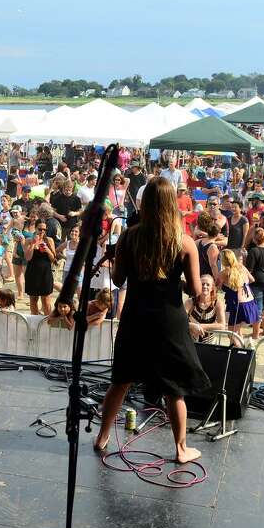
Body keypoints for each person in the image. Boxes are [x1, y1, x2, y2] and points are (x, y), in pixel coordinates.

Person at [93, 177, 209, 463]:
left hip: (135, 316)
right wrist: (174, 282)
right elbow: (196, 290)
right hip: (169, 320)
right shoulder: (185, 243)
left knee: (121, 380)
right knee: (174, 388)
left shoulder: (129, 237)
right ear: (173, 204)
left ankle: (102, 437)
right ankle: (182, 450)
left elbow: (118, 280)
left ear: (145, 204)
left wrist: (117, 258)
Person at [219, 249, 262, 339]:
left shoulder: (224, 273)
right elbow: (252, 280)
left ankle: (240, 350)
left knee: (232, 335)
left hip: (238, 305)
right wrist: (243, 285)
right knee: (237, 333)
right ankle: (243, 347)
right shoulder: (242, 267)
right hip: (250, 301)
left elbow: (217, 286)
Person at [24, 222, 57, 314]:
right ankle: (34, 322)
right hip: (32, 273)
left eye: (44, 229)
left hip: (45, 273)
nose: (42, 231)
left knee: (46, 300)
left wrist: (48, 250)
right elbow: (27, 258)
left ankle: (47, 323)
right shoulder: (29, 240)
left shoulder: (49, 240)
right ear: (35, 228)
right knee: (33, 299)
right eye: (40, 229)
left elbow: (53, 259)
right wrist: (33, 244)